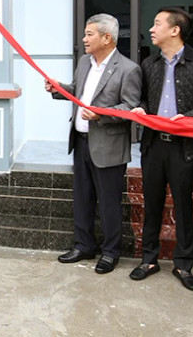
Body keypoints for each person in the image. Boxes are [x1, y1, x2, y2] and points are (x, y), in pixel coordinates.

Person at [129, 7, 193, 291]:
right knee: (152, 204)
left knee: (183, 206)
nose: (151, 29)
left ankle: (184, 264)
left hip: (185, 147)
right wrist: (140, 108)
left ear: (175, 30)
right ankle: (149, 259)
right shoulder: (149, 64)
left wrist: (191, 117)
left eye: (157, 23)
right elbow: (147, 99)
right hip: (153, 145)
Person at [45, 14, 141, 274]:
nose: (84, 39)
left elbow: (130, 108)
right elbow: (78, 90)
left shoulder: (128, 69)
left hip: (108, 147)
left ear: (107, 38)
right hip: (81, 142)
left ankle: (111, 252)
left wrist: (102, 114)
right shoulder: (85, 62)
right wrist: (58, 89)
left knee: (109, 203)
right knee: (82, 198)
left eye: (89, 34)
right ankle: (84, 245)